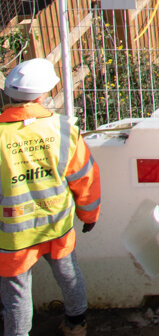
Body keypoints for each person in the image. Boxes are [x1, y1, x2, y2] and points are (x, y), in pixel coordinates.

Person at [0, 59, 99, 336]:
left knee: (17, 295)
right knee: (68, 275)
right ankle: (77, 324)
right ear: (44, 94)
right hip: (56, 224)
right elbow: (85, 176)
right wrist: (89, 215)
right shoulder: (64, 129)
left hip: (13, 234)